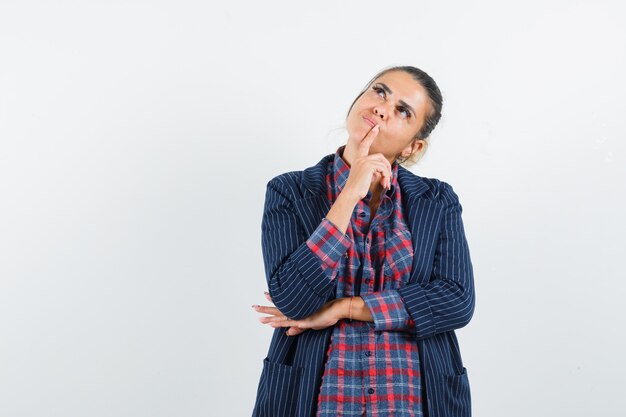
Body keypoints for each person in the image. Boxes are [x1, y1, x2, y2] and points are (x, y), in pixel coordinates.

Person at [251, 65, 476, 417]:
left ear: (413, 144)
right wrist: (349, 194)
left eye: (403, 111)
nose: (382, 107)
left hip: (413, 400)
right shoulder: (289, 191)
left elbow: (457, 300)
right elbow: (293, 300)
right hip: (316, 399)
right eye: (379, 91)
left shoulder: (437, 200)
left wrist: (343, 308)